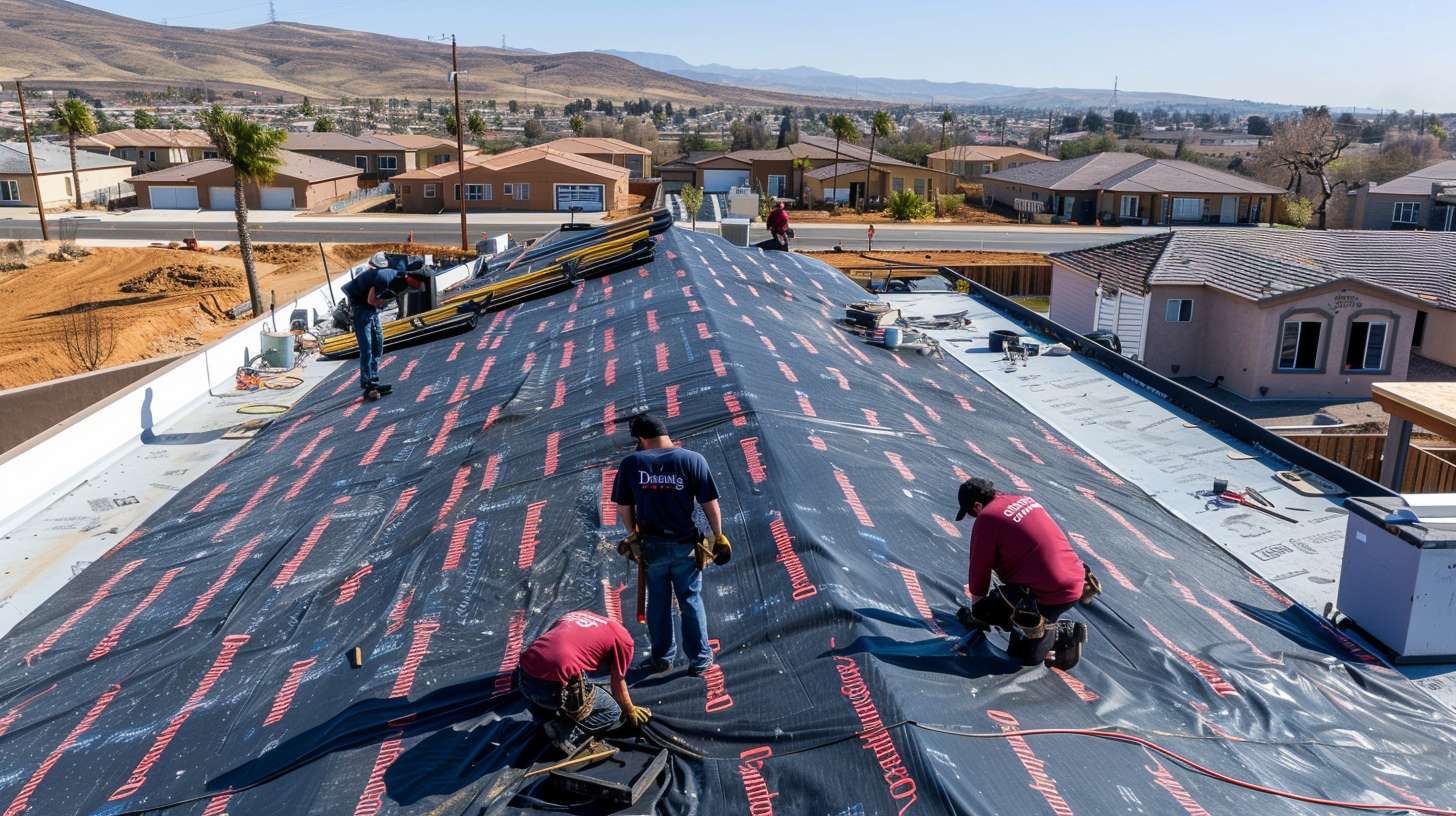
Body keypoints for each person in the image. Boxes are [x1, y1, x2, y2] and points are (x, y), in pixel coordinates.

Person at [612, 414, 729, 676]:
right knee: (690, 599)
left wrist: (633, 535)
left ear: (641, 439)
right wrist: (718, 536)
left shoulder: (632, 463)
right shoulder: (691, 459)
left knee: (658, 600)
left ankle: (662, 657)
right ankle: (699, 660)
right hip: (686, 545)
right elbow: (710, 503)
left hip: (652, 546)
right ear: (665, 433)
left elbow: (624, 507)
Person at [954, 477, 1093, 670]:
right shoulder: (1024, 499)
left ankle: (1062, 635)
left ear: (977, 505)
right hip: (1075, 577)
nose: (974, 518)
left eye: (971, 513)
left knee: (1023, 657)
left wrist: (979, 612)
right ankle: (1043, 626)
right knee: (1020, 617)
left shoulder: (987, 517)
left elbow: (979, 570)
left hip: (1050, 592)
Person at [517, 610, 651, 756]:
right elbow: (617, 682)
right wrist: (630, 709)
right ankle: (569, 736)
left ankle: (545, 719)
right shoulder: (625, 643)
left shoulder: (576, 615)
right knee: (612, 711)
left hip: (522, 677)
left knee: (564, 674)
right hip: (550, 690)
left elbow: (552, 645)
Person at [339, 252, 425, 400]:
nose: (418, 287)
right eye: (417, 283)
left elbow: (419, 287)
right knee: (367, 348)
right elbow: (371, 300)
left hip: (371, 309)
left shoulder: (400, 279)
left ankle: (374, 381)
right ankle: (369, 385)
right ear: (411, 278)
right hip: (361, 308)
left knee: (378, 345)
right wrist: (384, 303)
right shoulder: (385, 277)